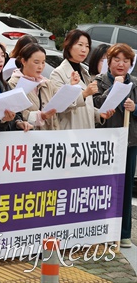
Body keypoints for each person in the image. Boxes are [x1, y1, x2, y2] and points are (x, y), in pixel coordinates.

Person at [92, 43, 137, 248]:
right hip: (106, 142)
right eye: (117, 60)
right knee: (105, 186)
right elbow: (96, 106)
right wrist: (114, 88)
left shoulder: (134, 84)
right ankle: (102, 229)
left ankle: (124, 232)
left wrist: (134, 108)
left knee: (126, 186)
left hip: (129, 142)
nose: (121, 64)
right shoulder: (99, 81)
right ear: (108, 62)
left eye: (126, 61)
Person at [50, 29, 113, 130]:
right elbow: (59, 106)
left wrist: (99, 114)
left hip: (86, 135)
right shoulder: (58, 73)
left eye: (87, 46)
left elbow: (86, 107)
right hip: (69, 132)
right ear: (69, 46)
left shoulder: (85, 73)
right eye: (80, 45)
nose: (84, 49)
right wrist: (84, 94)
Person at [8, 43, 78, 130]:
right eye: (36, 62)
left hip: (52, 137)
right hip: (30, 138)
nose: (40, 67)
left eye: (43, 62)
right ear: (23, 61)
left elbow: (62, 103)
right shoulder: (13, 84)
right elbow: (15, 114)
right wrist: (39, 116)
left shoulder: (47, 83)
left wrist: (71, 87)